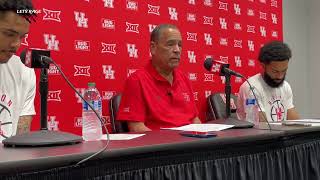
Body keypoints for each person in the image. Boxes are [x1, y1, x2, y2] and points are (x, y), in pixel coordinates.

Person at [117, 24, 201, 132]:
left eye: (180, 45)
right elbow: (137, 128)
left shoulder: (184, 79)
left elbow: (195, 119)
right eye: (170, 44)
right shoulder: (137, 80)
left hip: (192, 144)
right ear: (153, 48)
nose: (177, 50)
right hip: (161, 146)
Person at [0, 0, 37, 141]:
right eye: (9, 34)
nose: (17, 44)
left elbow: (21, 140)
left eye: (22, 37)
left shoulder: (25, 73)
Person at [237, 40, 300, 122]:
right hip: (257, 133)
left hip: (280, 134)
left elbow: (293, 118)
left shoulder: (285, 86)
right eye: (275, 71)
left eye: (284, 71)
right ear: (263, 66)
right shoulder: (251, 87)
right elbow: (261, 124)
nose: (280, 76)